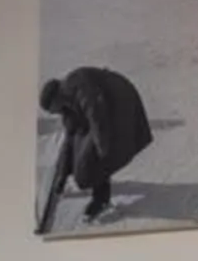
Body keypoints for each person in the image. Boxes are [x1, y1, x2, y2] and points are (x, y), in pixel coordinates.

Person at [38, 66, 153, 228]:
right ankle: (100, 186)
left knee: (87, 169)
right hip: (105, 108)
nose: (55, 113)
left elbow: (97, 116)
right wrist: (61, 176)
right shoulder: (67, 105)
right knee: (84, 153)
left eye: (52, 110)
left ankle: (101, 199)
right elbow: (70, 140)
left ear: (55, 99)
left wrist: (102, 153)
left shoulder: (77, 86)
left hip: (120, 102)